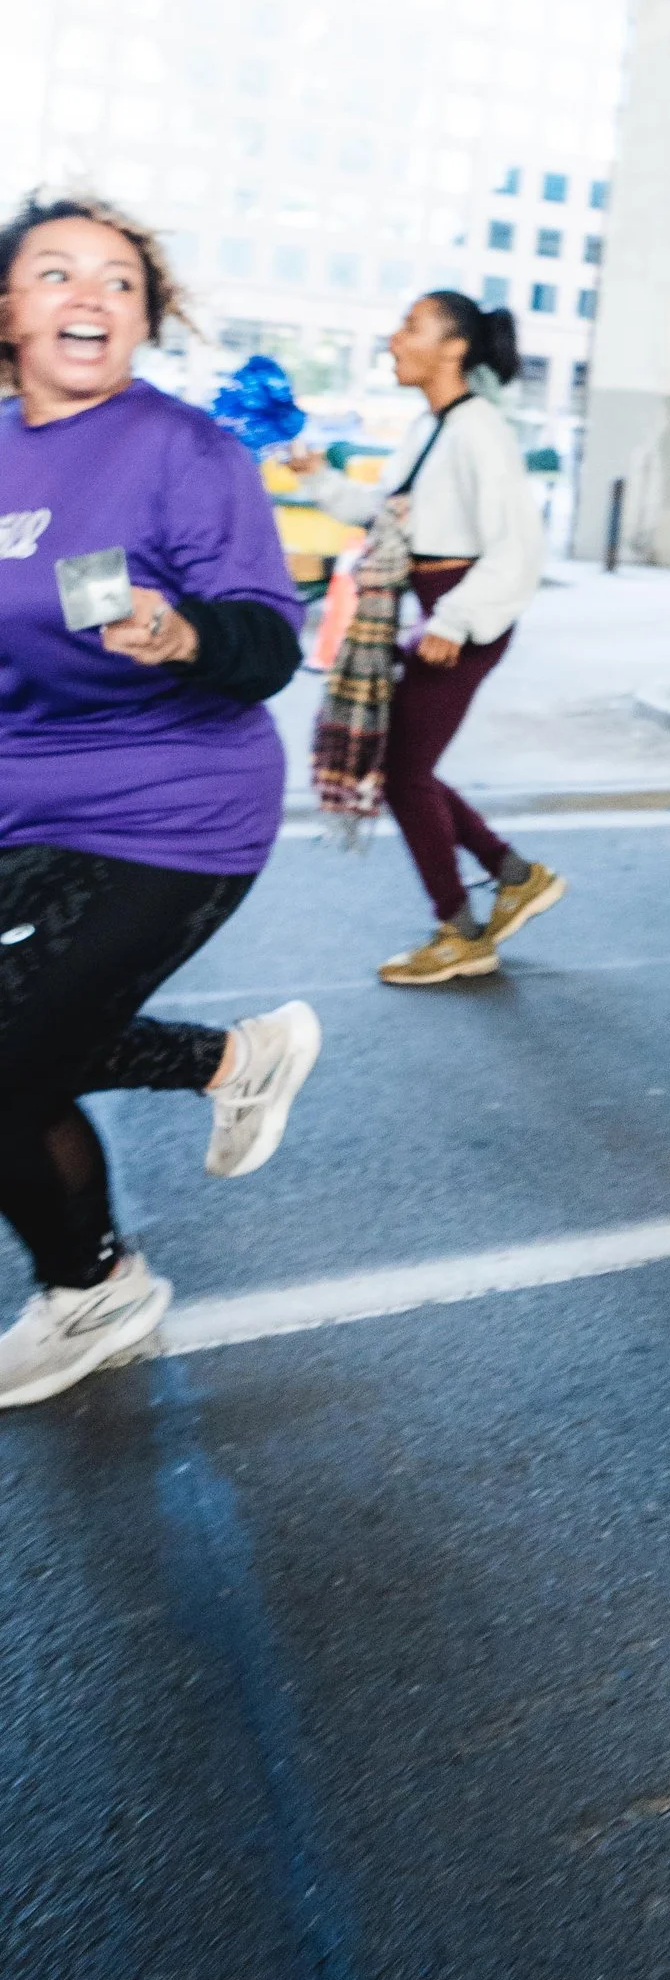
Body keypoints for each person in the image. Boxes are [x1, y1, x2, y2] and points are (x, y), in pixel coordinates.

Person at [0, 197, 321, 1406]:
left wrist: (184, 633)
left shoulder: (185, 449)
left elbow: (266, 644)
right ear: (9, 312)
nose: (89, 297)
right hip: (24, 801)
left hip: (173, 809)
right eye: (56, 274)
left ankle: (89, 1293)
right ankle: (230, 1065)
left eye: (119, 282)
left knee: (5, 1060)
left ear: (143, 316)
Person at [313, 289, 560, 989]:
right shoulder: (434, 426)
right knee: (405, 765)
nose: (394, 339)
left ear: (454, 347)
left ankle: (461, 930)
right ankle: (515, 877)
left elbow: (519, 546)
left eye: (409, 327)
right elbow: (390, 511)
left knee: (401, 773)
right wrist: (321, 480)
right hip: (430, 608)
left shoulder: (480, 428)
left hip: (457, 617)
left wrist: (453, 621)